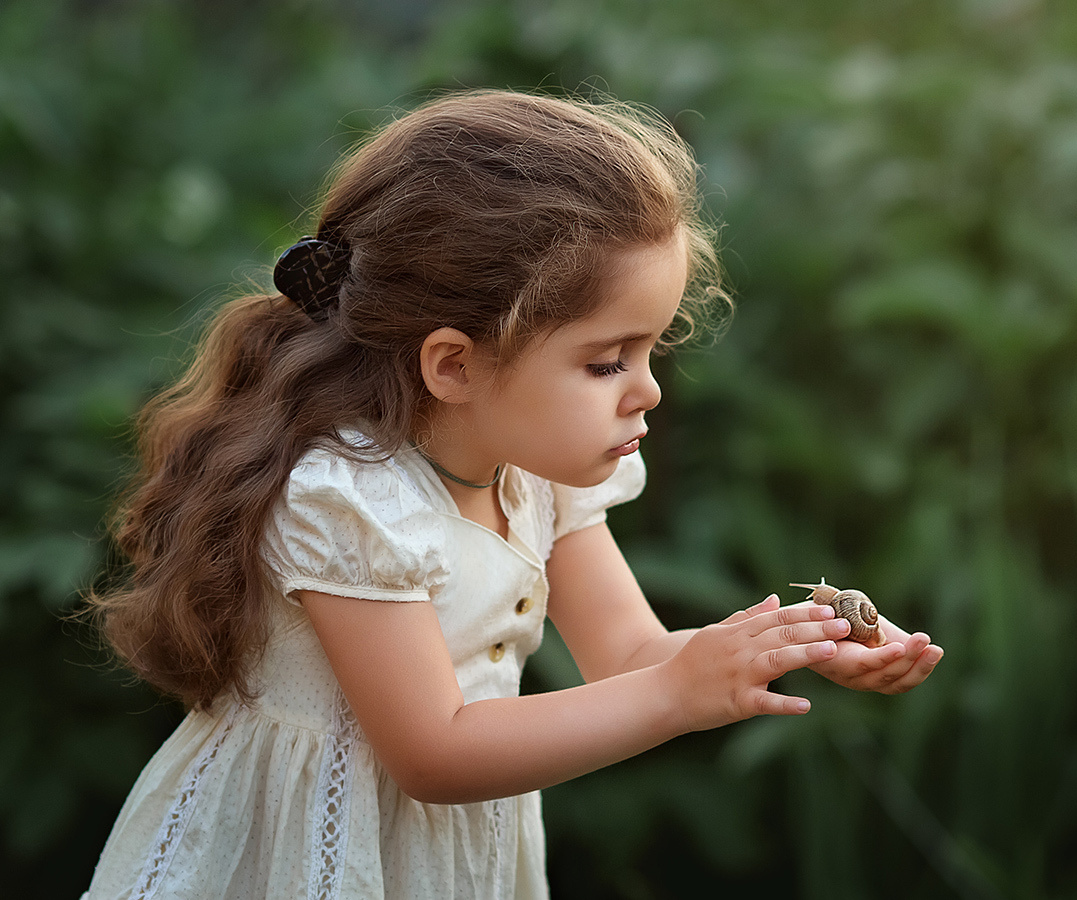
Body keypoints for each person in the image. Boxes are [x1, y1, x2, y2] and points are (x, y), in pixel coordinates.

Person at [82, 89, 943, 900]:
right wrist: (678, 693)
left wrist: (796, 642)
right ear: (454, 363)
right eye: (606, 361)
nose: (646, 392)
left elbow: (633, 656)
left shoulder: (532, 479)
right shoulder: (348, 504)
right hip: (303, 857)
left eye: (652, 353)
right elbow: (435, 752)